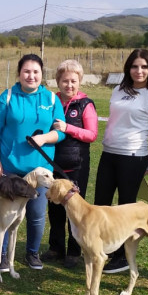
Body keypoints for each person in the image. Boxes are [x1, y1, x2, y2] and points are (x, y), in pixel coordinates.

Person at [0, 53, 66, 270]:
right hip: (10, 169)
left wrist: (44, 138)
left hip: (40, 172)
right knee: (6, 213)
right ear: (19, 73)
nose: (31, 76)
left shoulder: (51, 99)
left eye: (35, 72)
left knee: (36, 214)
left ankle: (32, 253)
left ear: (42, 74)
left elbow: (61, 132)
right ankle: (2, 255)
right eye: (26, 71)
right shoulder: (7, 97)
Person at [94, 48, 148, 274]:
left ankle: (121, 257)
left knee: (125, 209)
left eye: (144, 67)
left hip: (134, 157)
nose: (139, 71)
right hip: (109, 154)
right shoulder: (118, 90)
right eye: (135, 66)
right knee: (101, 204)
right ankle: (102, 249)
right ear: (128, 68)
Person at [42, 59, 98, 268]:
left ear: (79, 81)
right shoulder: (51, 101)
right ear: (58, 81)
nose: (69, 85)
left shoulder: (85, 104)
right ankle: (55, 248)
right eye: (65, 81)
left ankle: (74, 252)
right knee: (54, 206)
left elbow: (92, 134)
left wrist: (68, 128)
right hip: (53, 164)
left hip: (76, 165)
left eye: (73, 81)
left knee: (75, 211)